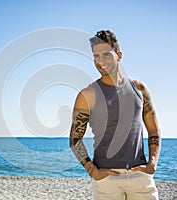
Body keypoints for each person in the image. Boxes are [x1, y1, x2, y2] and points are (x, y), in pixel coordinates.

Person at [69, 30, 161, 200]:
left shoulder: (139, 89)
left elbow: (154, 131)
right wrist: (92, 170)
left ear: (119, 55)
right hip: (107, 179)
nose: (100, 61)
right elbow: (75, 139)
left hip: (140, 176)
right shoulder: (87, 95)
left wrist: (152, 164)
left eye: (106, 54)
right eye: (96, 56)